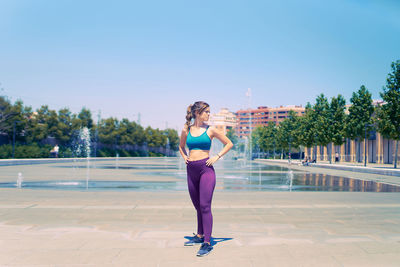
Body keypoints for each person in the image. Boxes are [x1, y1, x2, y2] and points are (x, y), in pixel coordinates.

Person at [179, 101, 233, 257]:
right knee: (197, 206)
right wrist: (184, 157)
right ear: (197, 113)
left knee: (205, 206)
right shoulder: (186, 129)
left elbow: (229, 144)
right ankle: (199, 235)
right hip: (191, 169)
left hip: (206, 169)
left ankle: (207, 243)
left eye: (209, 111)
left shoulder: (211, 130)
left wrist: (217, 157)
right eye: (206, 112)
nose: (209, 114)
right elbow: (181, 146)